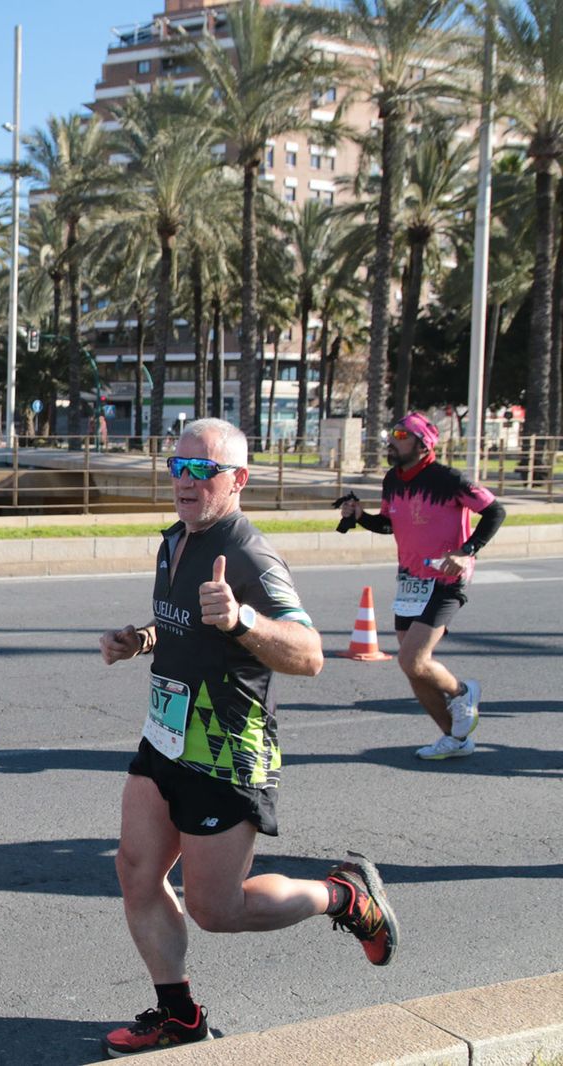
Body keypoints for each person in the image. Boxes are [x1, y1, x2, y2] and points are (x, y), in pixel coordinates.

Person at [97, 418, 398, 1056]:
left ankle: (341, 895)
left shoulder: (252, 553)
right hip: (166, 736)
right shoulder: (175, 538)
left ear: (238, 480)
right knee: (136, 871)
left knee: (217, 909)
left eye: (203, 471)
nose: (185, 479)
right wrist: (141, 640)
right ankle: (178, 1014)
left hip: (227, 748)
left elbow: (311, 653)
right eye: (177, 465)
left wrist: (243, 620)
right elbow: (181, 618)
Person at [338, 412, 505, 760]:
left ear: (422, 442)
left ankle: (462, 692)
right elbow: (389, 524)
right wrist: (360, 517)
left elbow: (495, 512)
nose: (390, 441)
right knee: (411, 665)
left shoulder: (448, 480)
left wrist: (466, 551)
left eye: (400, 434)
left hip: (447, 578)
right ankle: (455, 739)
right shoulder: (392, 480)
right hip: (410, 582)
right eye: (390, 434)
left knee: (413, 659)